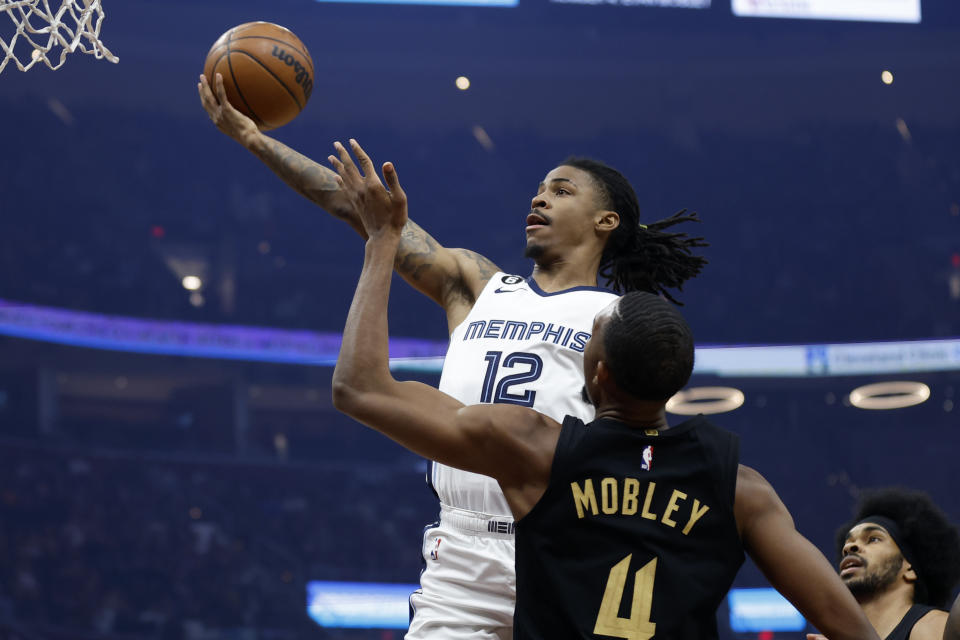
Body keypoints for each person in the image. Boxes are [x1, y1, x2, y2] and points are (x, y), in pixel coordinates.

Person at [199, 72, 707, 638]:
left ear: (605, 221)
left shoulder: (618, 319)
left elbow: (646, 445)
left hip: (567, 542)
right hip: (462, 553)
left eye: (562, 190)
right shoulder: (476, 282)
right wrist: (254, 138)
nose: (540, 196)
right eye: (540, 188)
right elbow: (368, 216)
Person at [328, 158, 880, 640]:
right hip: (546, 563)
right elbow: (846, 623)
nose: (541, 197)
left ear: (597, 374)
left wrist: (381, 241)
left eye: (562, 189)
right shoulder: (737, 486)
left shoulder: (534, 448)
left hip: (531, 558)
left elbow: (360, 388)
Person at [808, 489, 960, 640]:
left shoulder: (932, 624)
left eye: (873, 539)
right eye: (847, 545)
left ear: (909, 569)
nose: (849, 548)